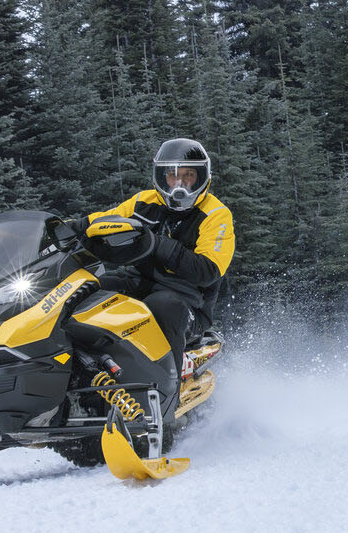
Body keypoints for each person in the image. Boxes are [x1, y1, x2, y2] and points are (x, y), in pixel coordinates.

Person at [82, 138, 234, 365]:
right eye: (173, 176)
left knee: (163, 307)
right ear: (162, 177)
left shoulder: (216, 215)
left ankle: (166, 392)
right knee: (88, 290)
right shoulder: (143, 202)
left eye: (188, 176)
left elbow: (208, 270)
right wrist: (61, 229)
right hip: (139, 284)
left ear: (201, 178)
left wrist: (157, 244)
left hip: (188, 301)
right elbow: (100, 221)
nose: (179, 184)